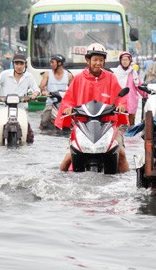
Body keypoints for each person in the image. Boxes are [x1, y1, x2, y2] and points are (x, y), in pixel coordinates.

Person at [55, 43, 129, 173]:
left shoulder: (111, 78)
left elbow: (120, 97)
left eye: (101, 60)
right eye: (95, 60)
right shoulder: (78, 79)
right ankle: (58, 180)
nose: (98, 63)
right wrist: (68, 107)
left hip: (108, 125)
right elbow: (68, 99)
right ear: (88, 60)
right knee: (68, 158)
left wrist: (122, 106)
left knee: (121, 154)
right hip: (82, 125)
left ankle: (127, 184)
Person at [0, 53, 40, 145]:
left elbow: (37, 89)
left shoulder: (29, 77)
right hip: (3, 107)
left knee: (28, 134)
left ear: (25, 64)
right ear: (13, 64)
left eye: (21, 64)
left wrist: (35, 94)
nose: (19, 66)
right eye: (16, 64)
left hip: (20, 108)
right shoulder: (4, 74)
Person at [111, 51, 146, 126]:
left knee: (131, 123)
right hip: (119, 102)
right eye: (123, 60)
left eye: (127, 60)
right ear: (120, 61)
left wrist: (146, 94)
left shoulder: (133, 73)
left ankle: (131, 136)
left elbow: (139, 86)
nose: (125, 62)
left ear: (130, 61)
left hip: (131, 101)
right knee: (119, 122)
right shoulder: (115, 73)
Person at [39, 54, 74, 129]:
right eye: (50, 62)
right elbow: (42, 86)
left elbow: (73, 90)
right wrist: (44, 91)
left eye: (52, 62)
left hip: (63, 104)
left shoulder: (69, 75)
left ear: (59, 63)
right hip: (51, 103)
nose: (51, 64)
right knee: (44, 121)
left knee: (73, 121)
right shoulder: (47, 74)